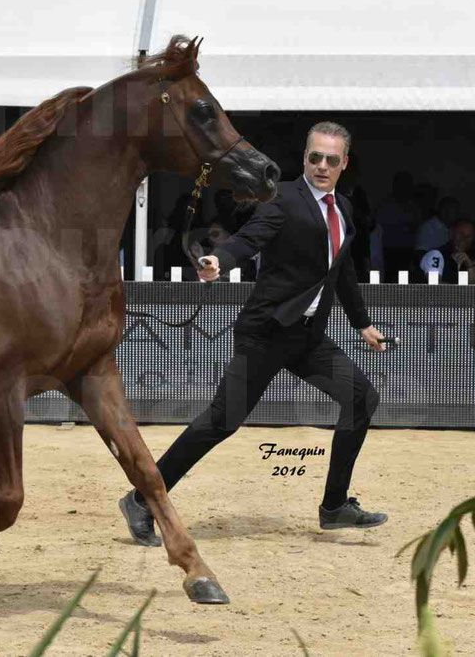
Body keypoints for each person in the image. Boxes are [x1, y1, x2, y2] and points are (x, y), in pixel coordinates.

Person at [119, 122, 389, 545]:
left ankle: (335, 506)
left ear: (343, 164)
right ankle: (141, 499)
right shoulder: (282, 198)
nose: (321, 166)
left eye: (331, 160)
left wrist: (362, 323)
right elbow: (248, 240)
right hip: (265, 334)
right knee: (221, 422)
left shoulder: (343, 210)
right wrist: (218, 261)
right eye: (314, 157)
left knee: (361, 398)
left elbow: (343, 269)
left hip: (308, 338)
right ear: (304, 158)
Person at [419, 219, 474, 283]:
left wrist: (469, 266)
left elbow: (472, 286)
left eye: (469, 236)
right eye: (461, 234)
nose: (464, 238)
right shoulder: (436, 255)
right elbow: (434, 285)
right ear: (452, 233)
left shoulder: (470, 259)